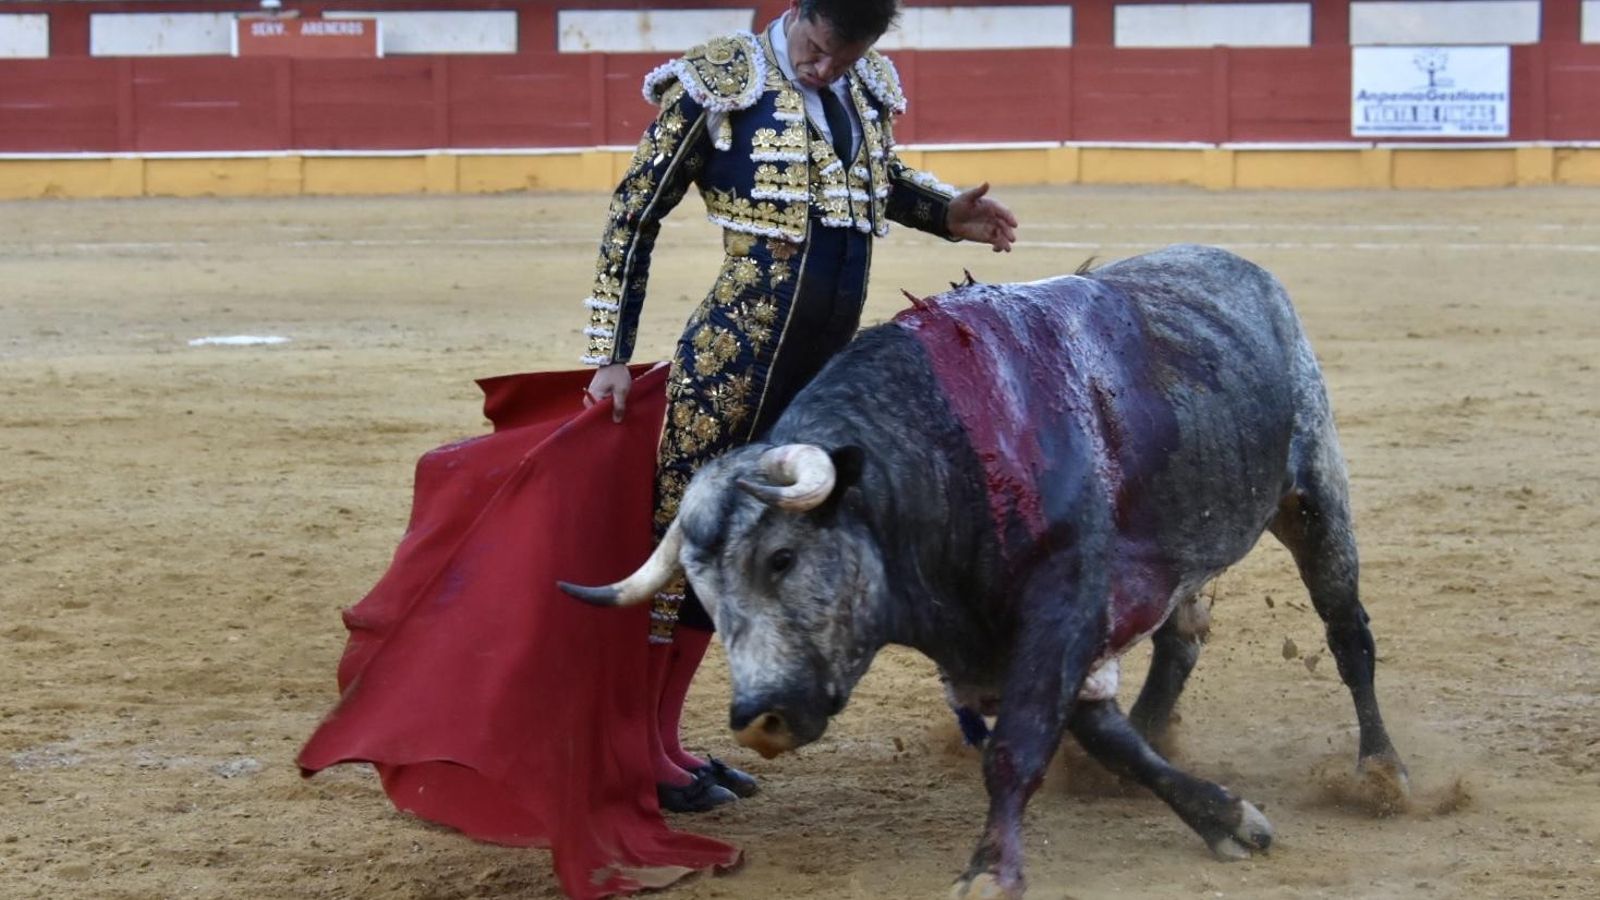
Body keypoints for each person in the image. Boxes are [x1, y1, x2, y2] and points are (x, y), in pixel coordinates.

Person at [576, 0, 1018, 813]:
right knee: (685, 550)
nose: (825, 70)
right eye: (817, 50)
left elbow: (871, 184)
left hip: (820, 376)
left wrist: (946, 212)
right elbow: (634, 212)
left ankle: (666, 742)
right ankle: (636, 750)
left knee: (750, 558)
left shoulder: (863, 85)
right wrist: (607, 354)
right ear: (799, 13)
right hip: (732, 364)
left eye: (843, 60)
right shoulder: (719, 78)